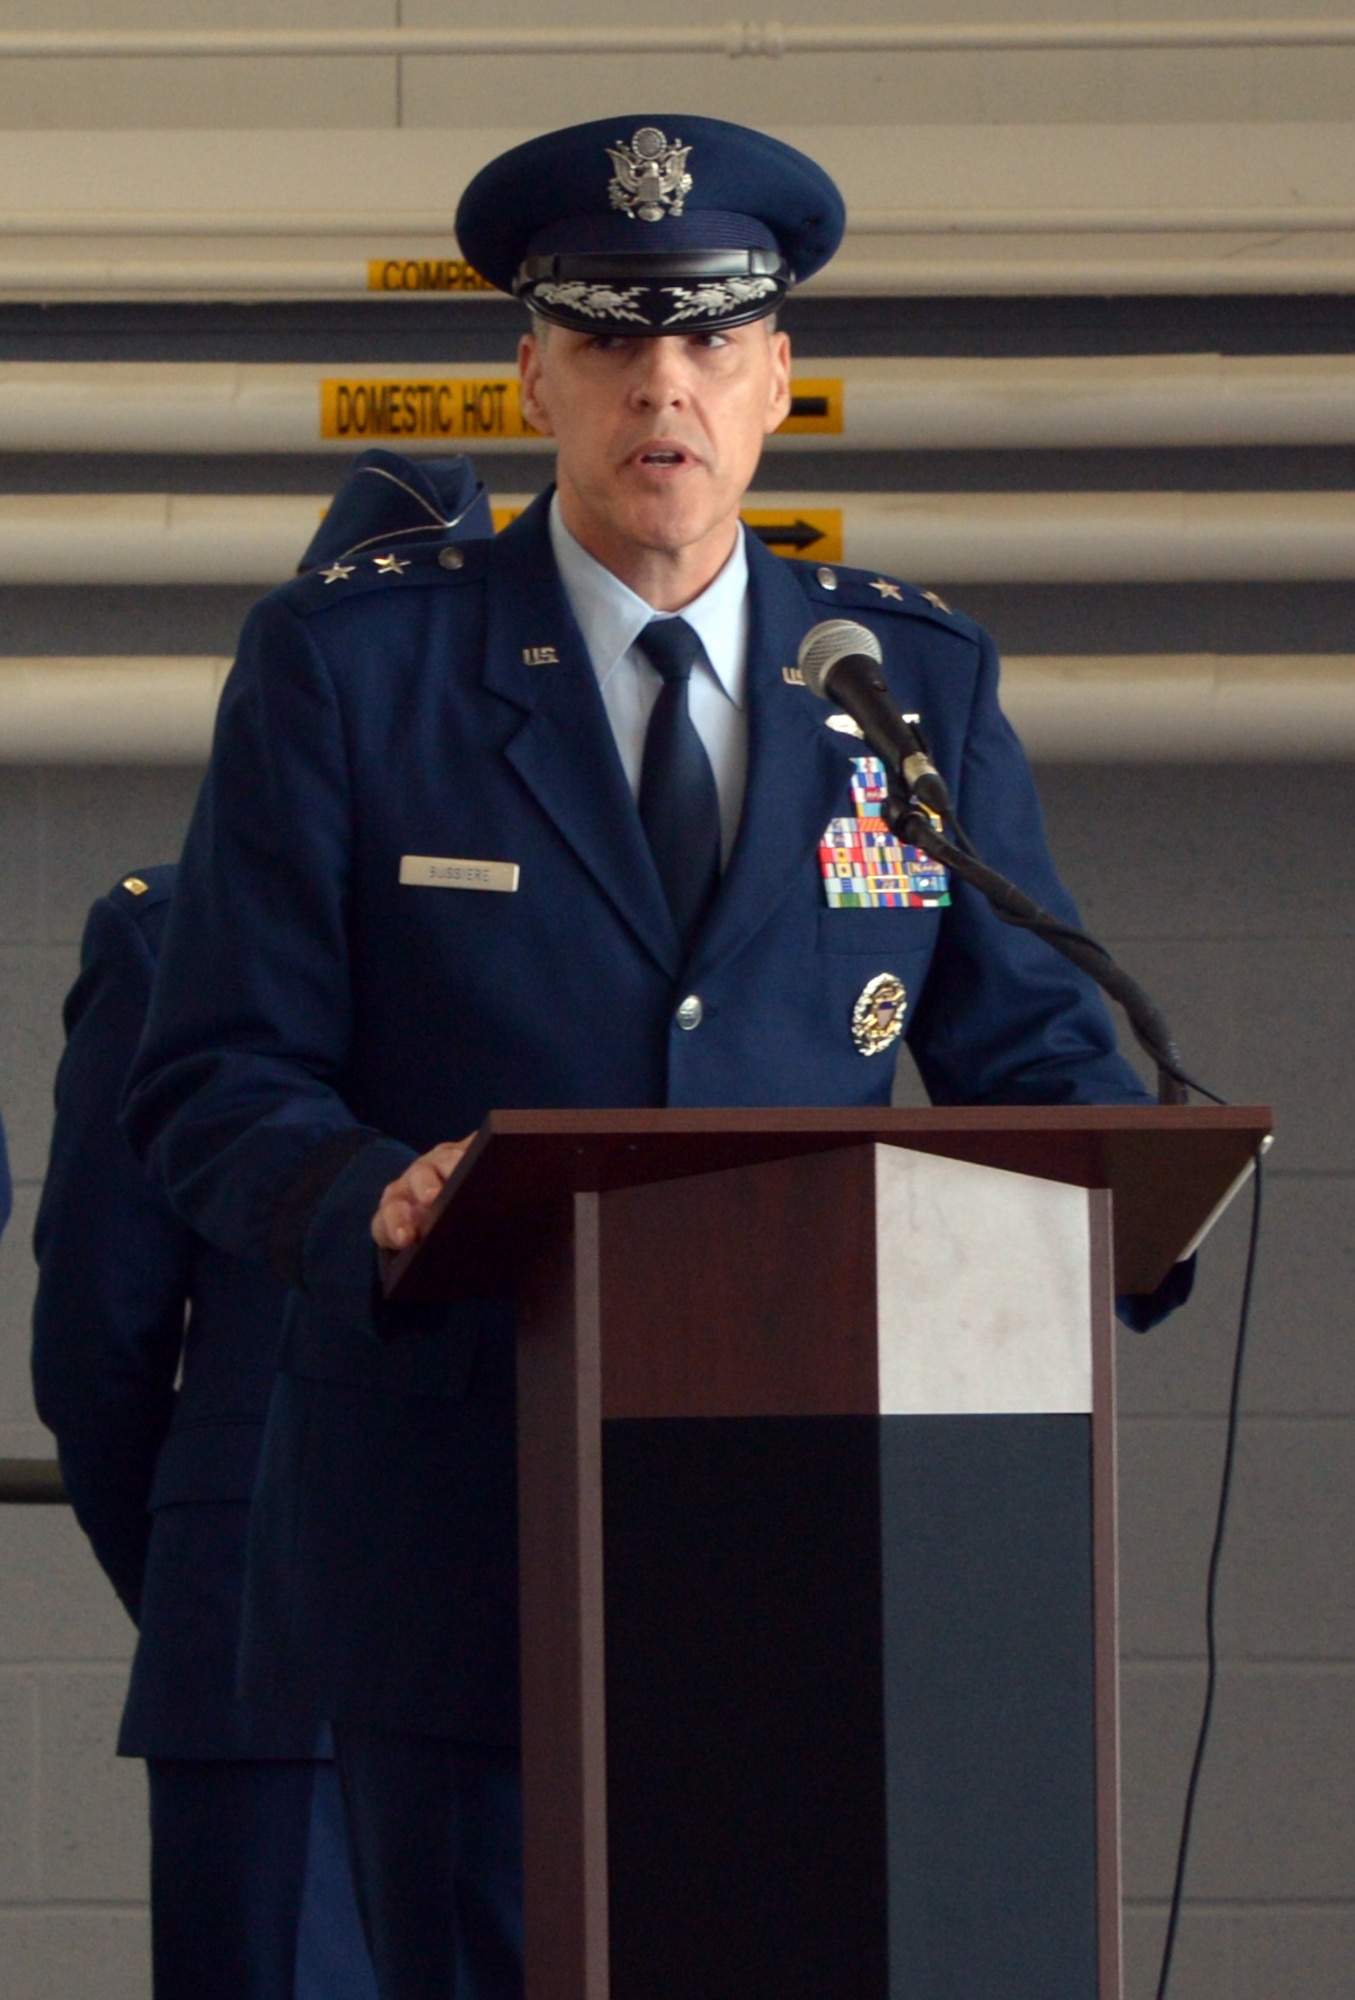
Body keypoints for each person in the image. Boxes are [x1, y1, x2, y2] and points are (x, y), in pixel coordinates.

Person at [124, 115, 1182, 1999]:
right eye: (611, 340)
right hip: (462, 1559)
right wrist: (379, 1203)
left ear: (783, 380)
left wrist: (1137, 1188)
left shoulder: (907, 686)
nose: (661, 386)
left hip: (830, 1556)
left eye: (709, 340)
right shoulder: (348, 673)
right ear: (533, 374)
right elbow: (211, 1076)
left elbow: (1027, 1058)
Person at [32, 452, 491, 2000]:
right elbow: (96, 1339)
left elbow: (97, 1343)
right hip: (269, 1643)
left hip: (486, 1625)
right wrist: (203, 1576)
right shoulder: (170, 930)